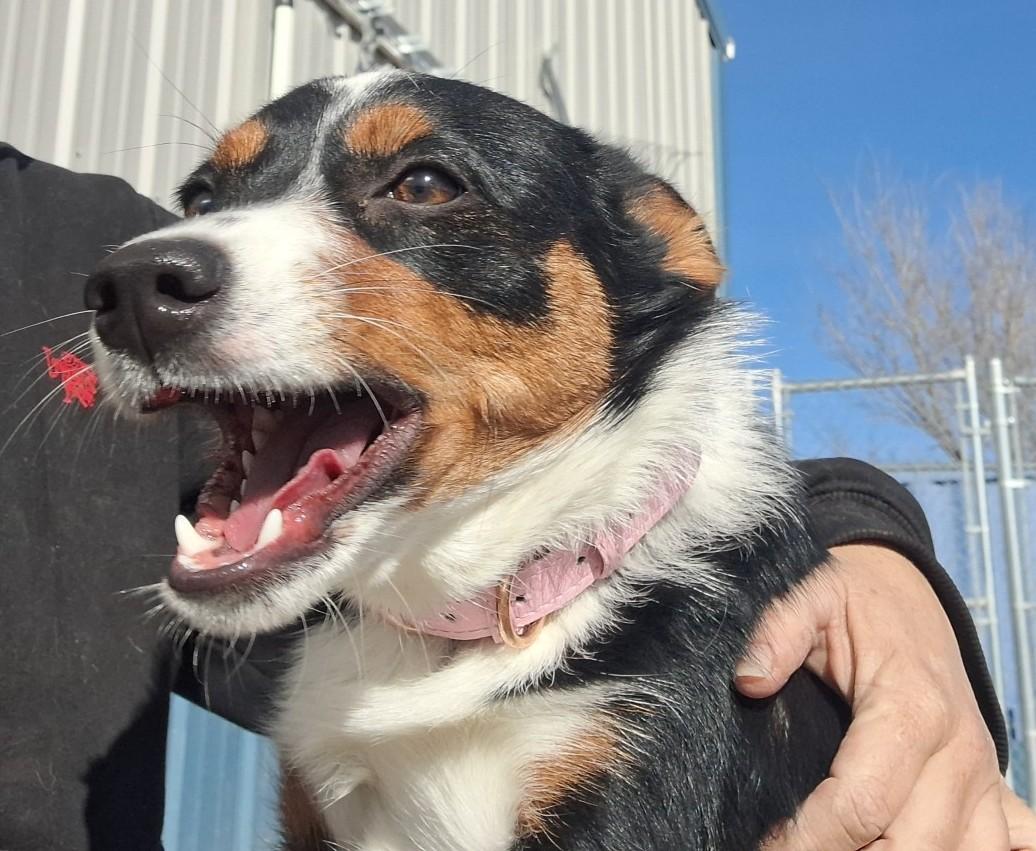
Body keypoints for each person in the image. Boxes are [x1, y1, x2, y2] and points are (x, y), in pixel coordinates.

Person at [1, 143, 1033, 851]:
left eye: (422, 183)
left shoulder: (87, 239)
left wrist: (866, 541)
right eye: (214, 202)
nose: (204, 246)